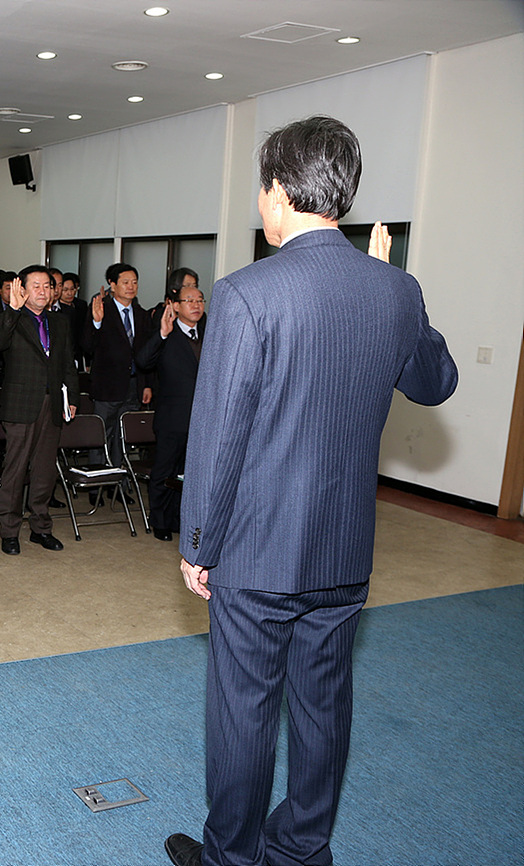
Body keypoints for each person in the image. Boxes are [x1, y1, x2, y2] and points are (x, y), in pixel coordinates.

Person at [164, 116, 458, 866]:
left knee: (244, 713)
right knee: (323, 706)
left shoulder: (246, 294)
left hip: (259, 552)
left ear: (282, 191)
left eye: (261, 188)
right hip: (343, 550)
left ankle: (231, 856)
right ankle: (299, 850)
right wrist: (403, 288)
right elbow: (436, 381)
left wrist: (199, 542)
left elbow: (220, 434)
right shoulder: (392, 289)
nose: (259, 203)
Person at [0, 265, 78, 556]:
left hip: (52, 403)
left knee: (44, 471)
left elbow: (67, 363)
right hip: (20, 405)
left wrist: (72, 397)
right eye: (36, 286)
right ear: (23, 290)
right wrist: (12, 311)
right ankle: (9, 530)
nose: (43, 291)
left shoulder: (60, 322)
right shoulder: (11, 318)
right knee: (15, 470)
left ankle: (41, 527)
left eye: (47, 286)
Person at [134, 279, 205, 542]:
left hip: (202, 420)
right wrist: (162, 333)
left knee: (190, 474)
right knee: (165, 471)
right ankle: (160, 520)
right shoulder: (166, 333)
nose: (196, 305)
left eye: (199, 300)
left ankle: (178, 518)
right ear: (174, 306)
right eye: (189, 301)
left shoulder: (209, 334)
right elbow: (142, 361)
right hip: (173, 418)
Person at [82, 263, 153, 468]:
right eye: (125, 282)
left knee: (123, 436)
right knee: (102, 434)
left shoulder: (141, 314)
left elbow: (145, 353)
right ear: (112, 284)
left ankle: (119, 480)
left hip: (132, 385)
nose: (131, 287)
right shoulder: (101, 308)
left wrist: (146, 384)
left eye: (134, 282)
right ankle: (97, 482)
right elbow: (87, 346)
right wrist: (96, 322)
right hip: (107, 386)